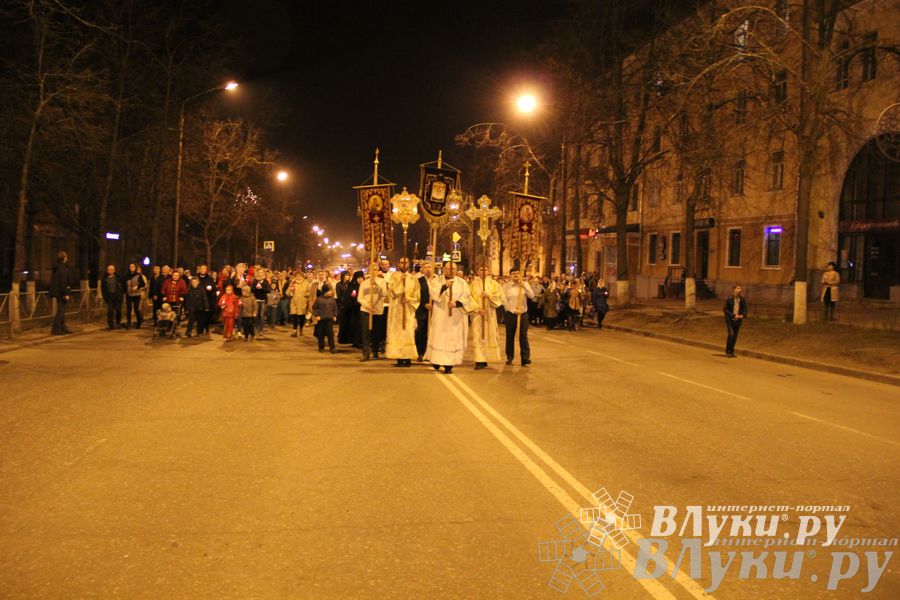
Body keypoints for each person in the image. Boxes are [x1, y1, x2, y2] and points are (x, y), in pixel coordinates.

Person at [425, 261, 472, 374]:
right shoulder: (437, 280)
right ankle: (436, 360)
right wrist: (445, 286)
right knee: (439, 336)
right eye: (448, 269)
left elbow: (467, 297)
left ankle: (449, 364)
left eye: (453, 269)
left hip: (454, 316)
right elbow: (433, 292)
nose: (451, 271)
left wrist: (456, 304)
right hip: (441, 314)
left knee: (452, 338)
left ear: (456, 270)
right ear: (444, 269)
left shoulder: (462, 282)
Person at [385, 257, 420, 367]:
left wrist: (409, 299)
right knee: (397, 334)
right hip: (396, 309)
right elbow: (392, 292)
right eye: (401, 262)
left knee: (408, 333)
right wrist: (401, 281)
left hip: (408, 309)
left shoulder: (413, 279)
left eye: (405, 262)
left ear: (408, 264)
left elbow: (417, 295)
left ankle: (408, 357)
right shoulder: (394, 276)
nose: (403, 264)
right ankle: (399, 358)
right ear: (398, 264)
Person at [470, 265, 503, 370]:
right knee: (478, 336)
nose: (483, 271)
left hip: (490, 314)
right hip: (478, 315)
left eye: (485, 269)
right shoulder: (473, 284)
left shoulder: (494, 284)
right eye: (481, 270)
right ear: (477, 271)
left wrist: (489, 295)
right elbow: (469, 297)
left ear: (488, 271)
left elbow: (499, 297)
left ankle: (487, 357)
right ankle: (479, 360)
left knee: (489, 336)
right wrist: (477, 309)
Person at [502, 267, 534, 366]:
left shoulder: (525, 284)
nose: (516, 275)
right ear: (510, 275)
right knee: (510, 336)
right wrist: (513, 310)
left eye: (517, 273)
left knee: (523, 336)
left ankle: (525, 359)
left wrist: (524, 286)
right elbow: (504, 301)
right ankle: (510, 357)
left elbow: (531, 296)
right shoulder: (506, 286)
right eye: (513, 273)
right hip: (511, 314)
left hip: (523, 314)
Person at [358, 263, 387, 361]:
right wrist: (367, 305)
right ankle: (366, 353)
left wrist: (376, 284)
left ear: (378, 271)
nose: (373, 271)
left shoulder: (382, 282)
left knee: (376, 332)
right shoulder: (364, 283)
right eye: (371, 269)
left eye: (375, 269)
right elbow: (360, 298)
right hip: (366, 310)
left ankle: (375, 350)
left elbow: (384, 294)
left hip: (377, 310)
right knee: (365, 332)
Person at [415, 261, 437, 361]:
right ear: (422, 270)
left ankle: (432, 353)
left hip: (435, 310)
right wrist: (424, 304)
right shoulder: (419, 281)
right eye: (426, 267)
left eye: (430, 267)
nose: (428, 269)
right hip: (422, 311)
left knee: (432, 333)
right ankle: (420, 352)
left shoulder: (437, 281)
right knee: (421, 332)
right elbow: (416, 296)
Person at [49, 250, 72, 335]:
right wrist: (65, 293)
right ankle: (56, 329)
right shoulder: (62, 268)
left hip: (58, 292)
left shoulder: (58, 267)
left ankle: (63, 327)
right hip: (62, 293)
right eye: (66, 256)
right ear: (64, 258)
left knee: (61, 311)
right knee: (60, 311)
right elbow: (63, 282)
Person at [723, 284, 748, 358]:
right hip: (730, 320)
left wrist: (743, 315)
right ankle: (728, 351)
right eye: (738, 288)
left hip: (738, 321)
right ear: (734, 289)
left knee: (735, 336)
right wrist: (733, 315)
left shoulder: (742, 299)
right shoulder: (729, 299)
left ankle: (732, 351)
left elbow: (745, 308)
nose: (739, 290)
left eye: (740, 288)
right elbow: (725, 309)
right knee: (731, 334)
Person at [312, 287, 338, 353]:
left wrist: (335, 315)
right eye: (329, 291)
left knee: (330, 334)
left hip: (329, 319)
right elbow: (314, 308)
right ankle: (321, 347)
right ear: (325, 292)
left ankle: (332, 348)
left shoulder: (332, 299)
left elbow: (335, 308)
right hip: (321, 319)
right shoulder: (319, 299)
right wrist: (317, 315)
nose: (331, 292)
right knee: (321, 334)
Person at [100, 264, 124, 330]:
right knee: (110, 311)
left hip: (117, 297)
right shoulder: (104, 279)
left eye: (111, 269)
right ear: (107, 271)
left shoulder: (118, 278)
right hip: (109, 297)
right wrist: (105, 297)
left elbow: (122, 287)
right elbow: (102, 288)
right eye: (109, 269)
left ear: (114, 270)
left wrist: (121, 294)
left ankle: (118, 322)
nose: (110, 271)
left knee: (118, 310)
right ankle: (111, 325)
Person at [122, 263, 145, 329]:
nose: (131, 268)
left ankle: (139, 322)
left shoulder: (138, 275)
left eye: (133, 267)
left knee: (136, 309)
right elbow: (124, 284)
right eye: (130, 266)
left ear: (135, 268)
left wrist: (137, 286)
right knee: (128, 309)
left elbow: (143, 284)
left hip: (136, 294)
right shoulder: (126, 276)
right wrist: (124, 291)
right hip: (128, 294)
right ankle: (128, 323)